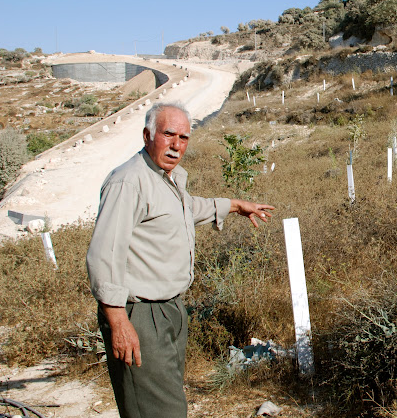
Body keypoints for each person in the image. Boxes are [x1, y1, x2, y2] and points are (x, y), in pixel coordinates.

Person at [86, 102, 274, 418]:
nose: (176, 145)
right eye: (168, 134)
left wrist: (234, 205)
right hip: (139, 315)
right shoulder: (129, 181)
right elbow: (103, 254)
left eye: (184, 137)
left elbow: (187, 209)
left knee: (165, 402)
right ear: (147, 135)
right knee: (161, 410)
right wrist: (118, 321)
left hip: (170, 310)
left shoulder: (167, 179)